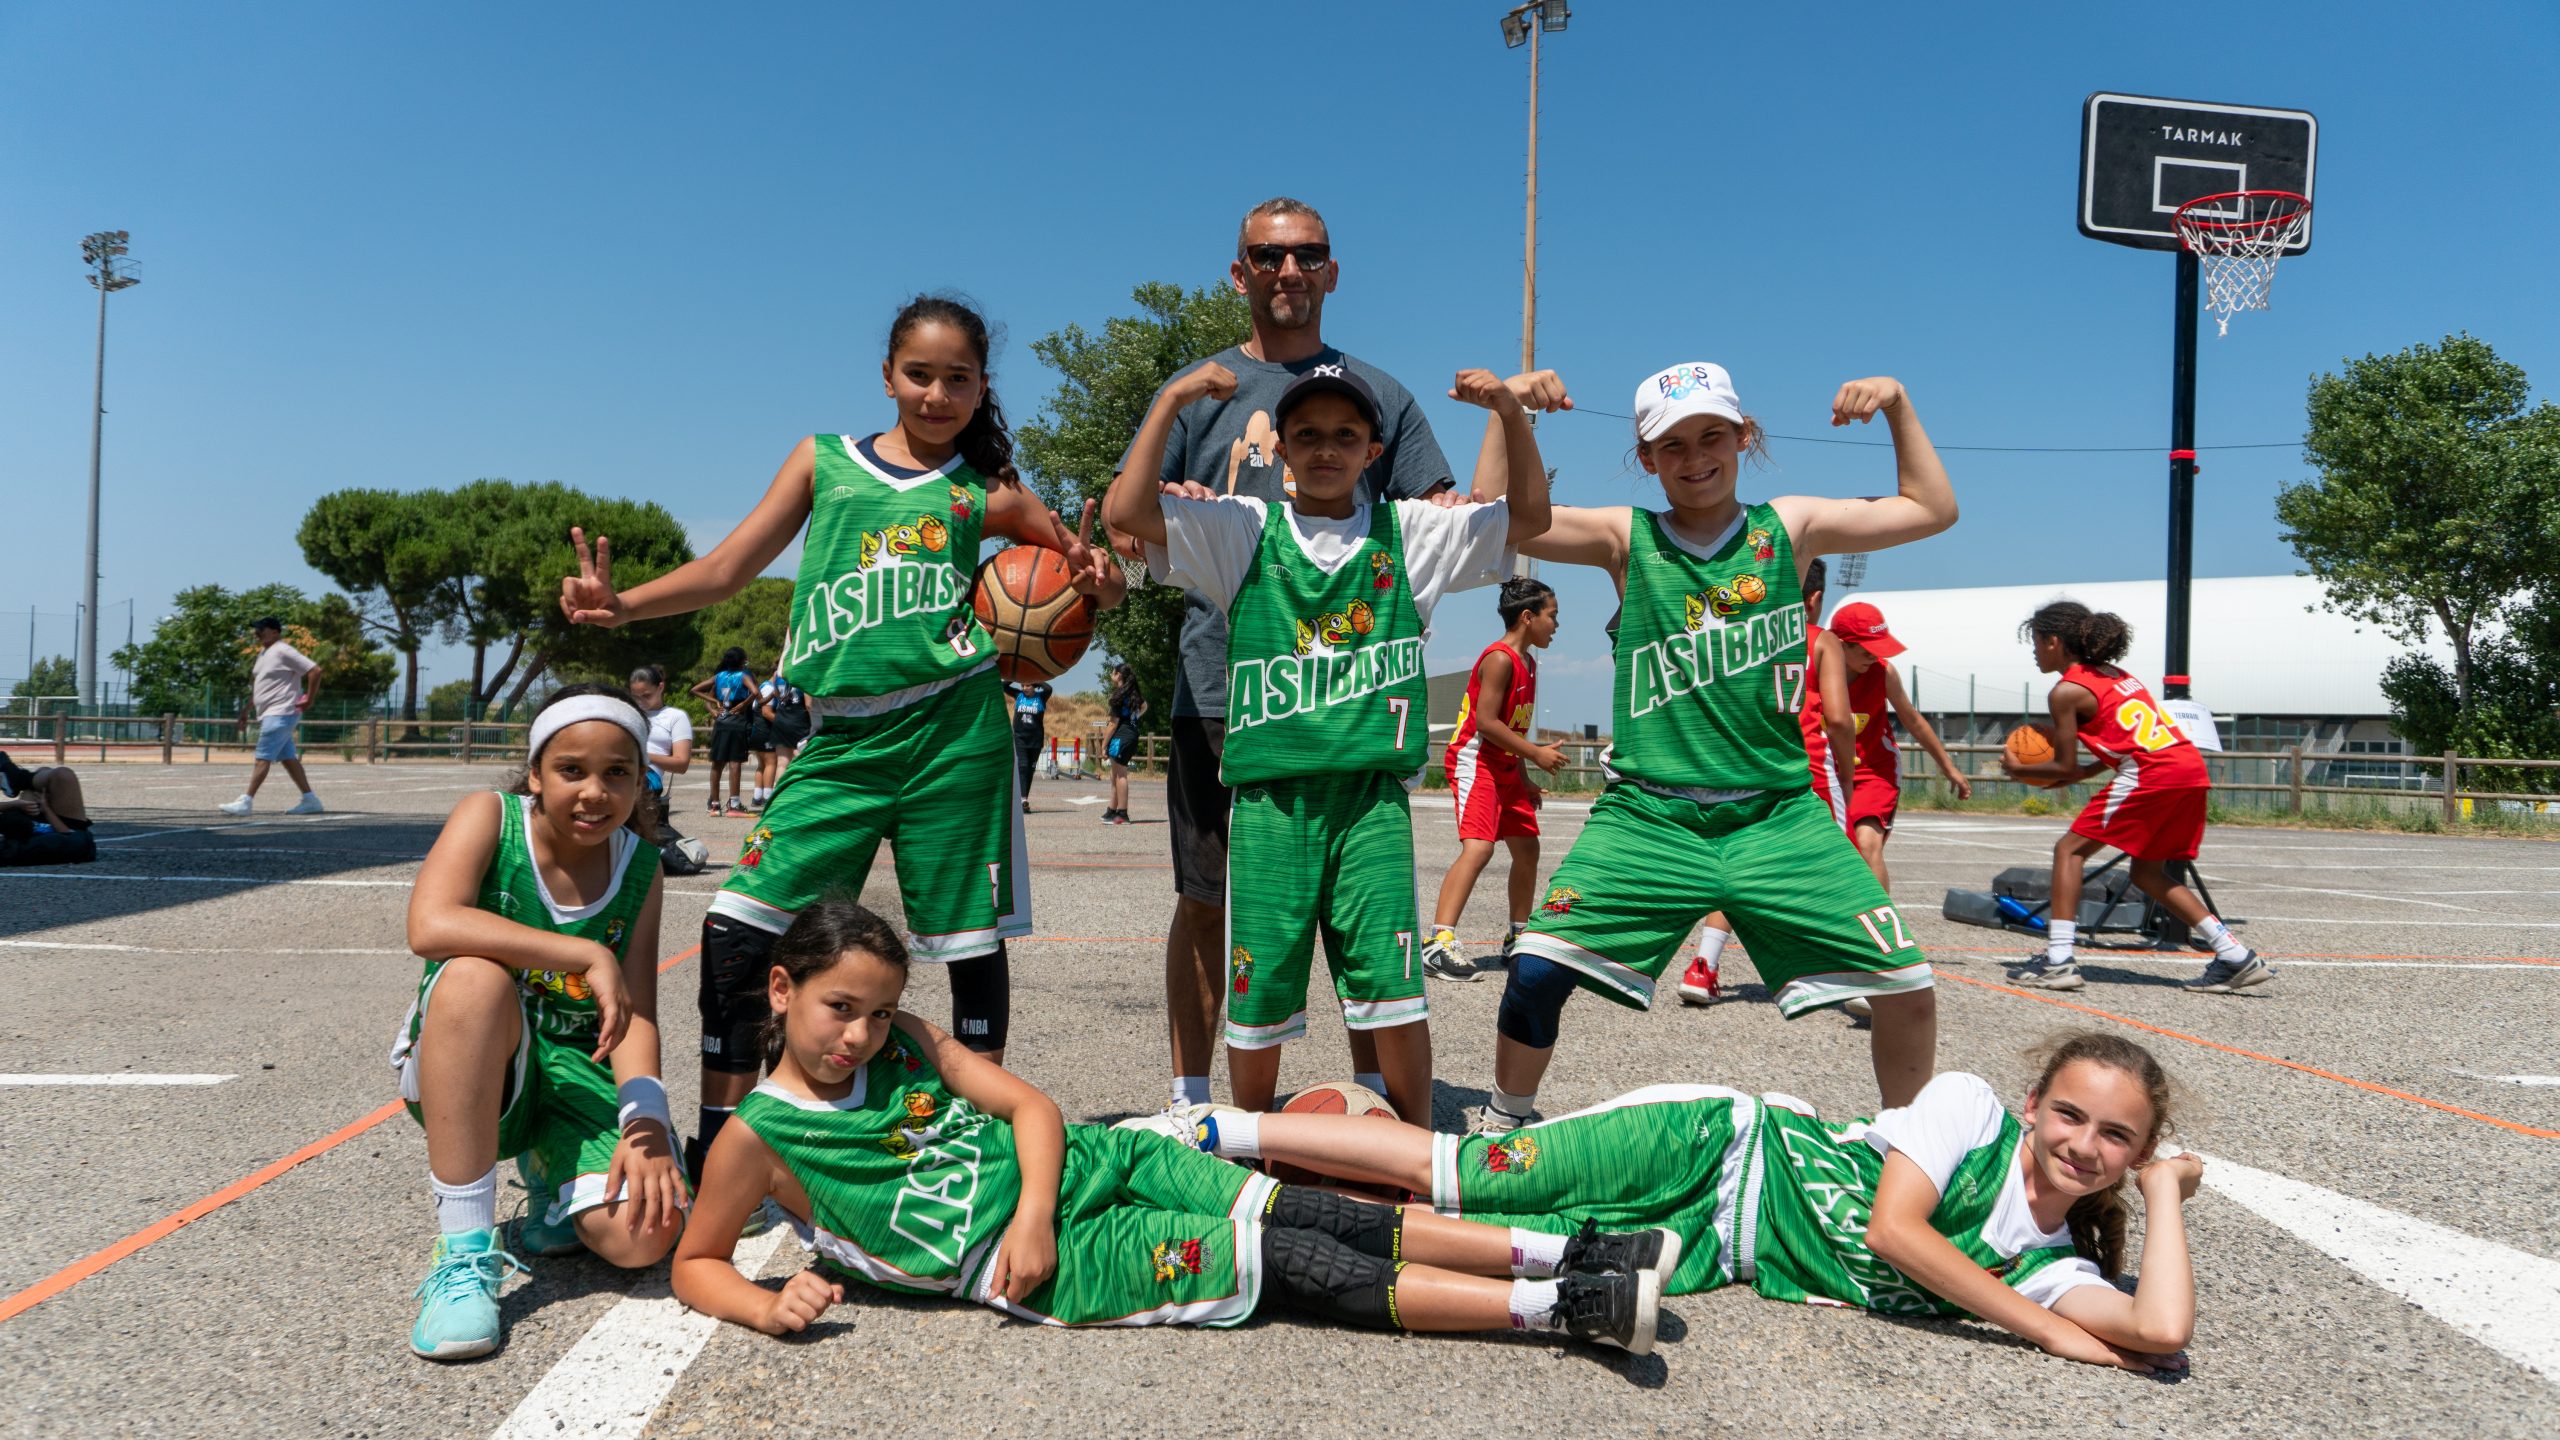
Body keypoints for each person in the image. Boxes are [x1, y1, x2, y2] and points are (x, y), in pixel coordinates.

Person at [559, 293, 1122, 1185]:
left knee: (966, 946)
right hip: (843, 741)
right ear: (888, 376)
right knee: (738, 928)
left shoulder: (989, 491)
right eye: (920, 374)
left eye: (958, 379)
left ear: (982, 387)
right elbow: (728, 568)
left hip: (953, 731)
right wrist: (623, 606)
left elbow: (1095, 578)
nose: (937, 394)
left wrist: (1101, 580)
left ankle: (982, 1140)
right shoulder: (824, 462)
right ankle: (723, 1144)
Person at [671, 900, 1668, 1354]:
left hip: (1087, 1169)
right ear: (782, 989)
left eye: (878, 1011)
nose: (860, 1033)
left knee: (1319, 1213)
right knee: (1299, 1263)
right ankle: (1561, 1309)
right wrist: (765, 1306)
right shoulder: (760, 1137)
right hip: (1058, 1262)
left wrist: (1033, 1206)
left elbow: (1030, 1108)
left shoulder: (906, 1042)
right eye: (840, 1009)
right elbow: (696, 1263)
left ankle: (1565, 1250)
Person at [1470, 362, 1959, 1134]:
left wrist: (1898, 403)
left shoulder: (1787, 527)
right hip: (1649, 814)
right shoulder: (1627, 537)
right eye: (1671, 445)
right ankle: (1506, 1128)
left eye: (1711, 437)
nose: (1694, 457)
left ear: (1743, 436)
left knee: (1906, 984)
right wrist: (1505, 411)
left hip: (1776, 814)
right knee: (1534, 970)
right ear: (1646, 458)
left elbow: (1932, 508)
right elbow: (1494, 519)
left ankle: (1907, 1152)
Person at [1168, 1029, 2200, 1373]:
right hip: (1717, 1141)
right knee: (1465, 1171)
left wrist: (2163, 1197)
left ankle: (1241, 1208)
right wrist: (2044, 1333)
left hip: (1714, 1244)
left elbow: (2157, 1331)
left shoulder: (2052, 1266)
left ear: (2138, 1153)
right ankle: (1215, 1131)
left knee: (1474, 1236)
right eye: (2070, 1116)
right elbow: (1895, 1230)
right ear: (2033, 1105)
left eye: (2117, 1139)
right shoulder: (1969, 1109)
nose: (2084, 1146)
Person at [1107, 360, 1557, 1126]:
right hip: (1271, 804)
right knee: (1259, 995)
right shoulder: (1244, 529)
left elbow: (1530, 518)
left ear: (1373, 452)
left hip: (1369, 802)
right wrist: (1175, 400)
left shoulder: (1408, 532)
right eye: (1308, 434)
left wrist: (1511, 414)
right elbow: (1128, 511)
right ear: (1279, 448)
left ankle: (1415, 1151)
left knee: (1393, 993)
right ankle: (1251, 1147)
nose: (1326, 448)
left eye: (1346, 435)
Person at [1126, 197, 1459, 1113]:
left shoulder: (1381, 393)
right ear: (1239, 272)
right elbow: (1131, 523)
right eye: (1268, 256)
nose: (1289, 271)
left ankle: (1370, 1099)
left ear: (1332, 272)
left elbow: (1437, 510)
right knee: (1209, 900)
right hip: (1223, 683)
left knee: (1361, 916)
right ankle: (1195, 1099)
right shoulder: (1202, 389)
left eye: (1308, 255)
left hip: (1346, 694)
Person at [387, 684, 687, 1361]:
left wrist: (646, 1122)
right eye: (571, 770)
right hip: (481, 1065)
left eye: (617, 773)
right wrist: (583, 952)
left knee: (643, 1234)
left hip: (577, 1069)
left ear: (641, 781)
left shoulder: (640, 864)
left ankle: (553, 1178)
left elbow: (636, 1013)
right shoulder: (489, 817)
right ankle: (464, 1255)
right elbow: (429, 924)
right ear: (535, 774)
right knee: (475, 977)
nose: (594, 792)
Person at [2002, 601, 2271, 994]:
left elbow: (2064, 766)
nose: (2034, 651)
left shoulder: (2066, 691)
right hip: (2187, 767)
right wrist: (2082, 773)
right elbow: (2121, 743)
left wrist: (2017, 769)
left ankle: (2058, 961)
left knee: (2069, 851)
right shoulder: (2117, 675)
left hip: (2152, 773)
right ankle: (2235, 956)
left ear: (2054, 641)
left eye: (2037, 641)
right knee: (2146, 874)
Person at [1675, 557, 1825, 1008]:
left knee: (1734, 871)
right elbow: (1837, 718)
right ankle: (1855, 971)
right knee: (1826, 871)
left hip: (1745, 769)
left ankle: (1703, 965)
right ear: (1815, 598)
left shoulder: (1743, 635)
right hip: (1803, 769)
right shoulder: (1820, 641)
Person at [1422, 576, 1564, 982]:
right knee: (1479, 848)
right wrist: (1535, 753)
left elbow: (1513, 727)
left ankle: (1518, 937)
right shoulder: (1499, 658)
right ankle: (1438, 944)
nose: (1556, 625)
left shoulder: (1529, 664)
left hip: (1505, 766)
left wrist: (1524, 776)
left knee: (1527, 849)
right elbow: (1486, 723)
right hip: (1476, 762)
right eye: (1552, 616)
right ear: (1527, 617)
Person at [1807, 601, 1972, 891]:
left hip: (1874, 772)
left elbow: (1915, 722)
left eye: (1878, 649)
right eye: (1866, 651)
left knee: (1866, 843)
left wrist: (1949, 768)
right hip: (1829, 772)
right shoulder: (1811, 673)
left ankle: (1881, 919)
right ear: (1840, 645)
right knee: (1829, 851)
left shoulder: (1883, 673)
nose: (1874, 656)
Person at [218, 617, 323, 816]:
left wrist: (309, 699)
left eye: (261, 629)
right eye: (256, 629)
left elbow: (315, 670)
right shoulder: (264, 653)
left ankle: (246, 802)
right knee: (288, 759)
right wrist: (246, 710)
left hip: (281, 712)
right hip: (270, 713)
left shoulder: (283, 650)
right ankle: (311, 800)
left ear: (275, 632)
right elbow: (262, 686)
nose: (256, 632)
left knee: (262, 757)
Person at [692, 648, 759, 816]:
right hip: (737, 721)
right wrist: (743, 704)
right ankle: (734, 805)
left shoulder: (719, 676)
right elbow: (755, 692)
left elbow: (695, 689)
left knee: (717, 763)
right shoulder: (743, 676)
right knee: (735, 762)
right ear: (742, 661)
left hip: (721, 722)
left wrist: (714, 702)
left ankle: (715, 806)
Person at [1102, 661, 1146, 825]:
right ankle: (1111, 810)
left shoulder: (1118, 696)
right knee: (1114, 774)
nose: (1110, 675)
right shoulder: (1132, 693)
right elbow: (1145, 706)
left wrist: (1103, 745)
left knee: (1120, 775)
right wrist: (1133, 719)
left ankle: (1122, 814)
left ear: (1118, 675)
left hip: (1122, 736)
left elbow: (1112, 725)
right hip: (1131, 734)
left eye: (1112, 672)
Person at [1005, 676, 1054, 813]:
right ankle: (1022, 800)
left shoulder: (1041, 697)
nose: (1024, 688)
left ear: (1034, 686)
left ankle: (1024, 798)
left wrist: (1033, 677)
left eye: (1028, 685)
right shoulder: (1018, 695)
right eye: (1023, 685)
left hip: (1035, 740)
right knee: (1023, 766)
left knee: (1030, 770)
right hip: (1020, 737)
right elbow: (1004, 686)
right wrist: (1017, 675)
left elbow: (1048, 688)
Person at [760, 667, 812, 774]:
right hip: (798, 719)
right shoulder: (804, 671)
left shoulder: (777, 673)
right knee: (801, 758)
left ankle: (781, 785)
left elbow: (776, 694)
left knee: (782, 763)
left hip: (781, 717)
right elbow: (808, 705)